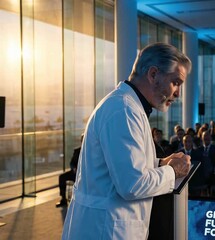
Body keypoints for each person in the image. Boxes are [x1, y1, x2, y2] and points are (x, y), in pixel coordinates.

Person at [61, 43, 192, 240]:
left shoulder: (127, 107)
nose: (178, 94)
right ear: (153, 74)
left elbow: (120, 168)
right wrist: (172, 172)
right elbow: (132, 184)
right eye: (176, 82)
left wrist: (159, 164)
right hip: (105, 231)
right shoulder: (124, 110)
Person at [56, 134, 83, 208]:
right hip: (75, 172)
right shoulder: (77, 151)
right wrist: (73, 168)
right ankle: (63, 199)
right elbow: (71, 163)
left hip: (84, 174)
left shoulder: (91, 152)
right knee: (62, 177)